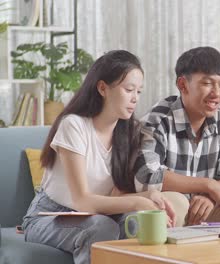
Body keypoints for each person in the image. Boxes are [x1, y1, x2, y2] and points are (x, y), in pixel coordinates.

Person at [22, 50, 175, 264]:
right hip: (49, 217)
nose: (135, 98)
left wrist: (149, 197)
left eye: (139, 92)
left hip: (96, 214)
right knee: (103, 227)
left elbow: (113, 198)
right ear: (103, 88)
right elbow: (83, 201)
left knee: (136, 224)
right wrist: (137, 202)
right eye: (129, 89)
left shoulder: (130, 133)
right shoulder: (73, 125)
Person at [133, 46, 220, 226]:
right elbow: (146, 176)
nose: (217, 93)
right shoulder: (157, 120)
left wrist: (211, 197)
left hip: (205, 208)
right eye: (207, 83)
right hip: (174, 211)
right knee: (174, 203)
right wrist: (208, 186)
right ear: (182, 85)